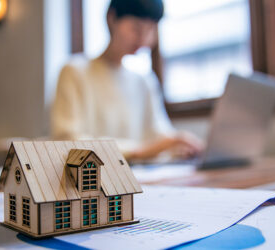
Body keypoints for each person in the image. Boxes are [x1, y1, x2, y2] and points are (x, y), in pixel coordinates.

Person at [51, 0, 203, 161]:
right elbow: (67, 140)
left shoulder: (145, 81)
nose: (143, 38)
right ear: (112, 18)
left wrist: (180, 145)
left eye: (150, 29)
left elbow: (159, 134)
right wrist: (140, 151)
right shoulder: (75, 72)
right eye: (136, 28)